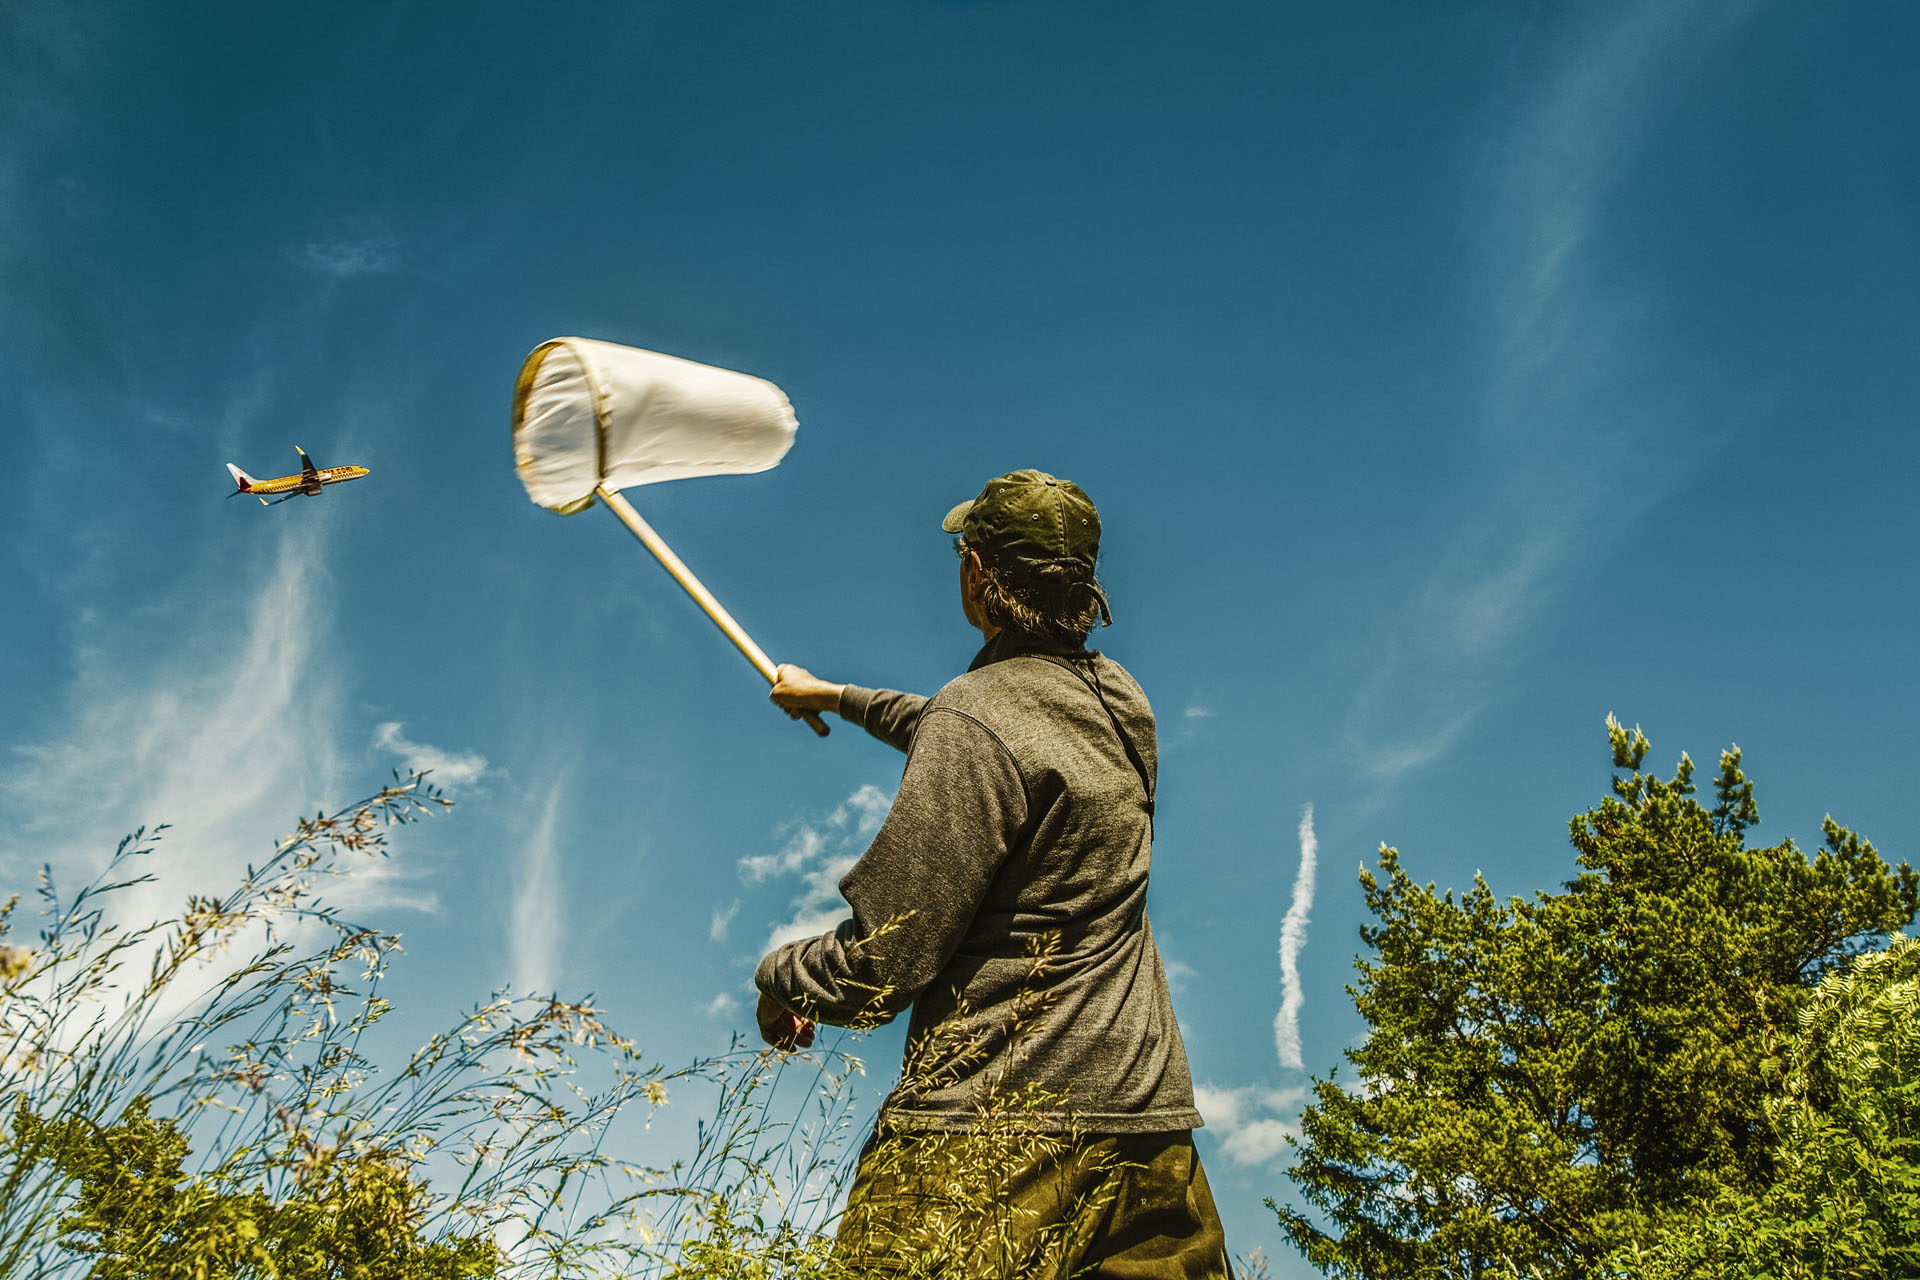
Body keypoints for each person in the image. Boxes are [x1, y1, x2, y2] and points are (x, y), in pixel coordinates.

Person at [757, 469, 1232, 1277]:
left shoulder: (974, 720)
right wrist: (834, 696)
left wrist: (780, 978)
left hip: (988, 1142)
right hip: (1148, 1139)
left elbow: (885, 965)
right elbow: (966, 724)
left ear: (977, 572)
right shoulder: (1123, 705)